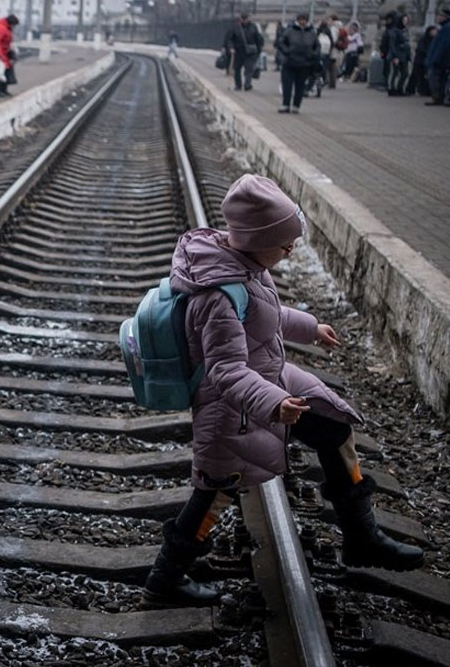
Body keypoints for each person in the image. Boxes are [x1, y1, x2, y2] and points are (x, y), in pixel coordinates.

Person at [143, 174, 424, 606]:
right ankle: (166, 578)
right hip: (231, 408)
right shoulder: (217, 296)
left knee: (334, 425)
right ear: (256, 239)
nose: (290, 250)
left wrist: (310, 328)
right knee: (215, 491)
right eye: (284, 242)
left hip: (272, 378)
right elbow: (225, 371)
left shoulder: (248, 267)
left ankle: (361, 536)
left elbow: (265, 316)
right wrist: (274, 404)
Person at [275, 13, 319, 114]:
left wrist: (313, 54)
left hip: (304, 64)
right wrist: (287, 51)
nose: (302, 22)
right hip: (289, 62)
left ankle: (296, 105)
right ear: (297, 20)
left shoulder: (311, 33)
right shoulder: (290, 31)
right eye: (300, 19)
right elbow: (280, 42)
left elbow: (317, 46)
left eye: (304, 20)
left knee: (300, 86)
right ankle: (285, 104)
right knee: (287, 85)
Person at [424, 8, 450, 106]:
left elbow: (443, 45)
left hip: (442, 61)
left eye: (441, 16)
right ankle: (439, 98)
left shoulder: (448, 28)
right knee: (439, 80)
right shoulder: (446, 28)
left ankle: (438, 99)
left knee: (436, 79)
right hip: (442, 60)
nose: (438, 17)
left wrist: (435, 59)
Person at [224, 12, 263, 91]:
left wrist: (259, 50)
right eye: (243, 19)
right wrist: (231, 48)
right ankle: (238, 85)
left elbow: (258, 39)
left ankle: (247, 85)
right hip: (238, 51)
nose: (245, 21)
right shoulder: (235, 27)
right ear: (240, 19)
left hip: (250, 52)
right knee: (237, 68)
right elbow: (229, 39)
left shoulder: (253, 27)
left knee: (249, 69)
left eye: (246, 19)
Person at [384, 13, 410, 97]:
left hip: (404, 54)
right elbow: (392, 44)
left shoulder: (406, 30)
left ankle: (400, 88)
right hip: (397, 54)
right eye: (404, 20)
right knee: (395, 72)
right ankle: (392, 89)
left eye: (406, 20)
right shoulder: (394, 31)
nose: (405, 22)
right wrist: (395, 56)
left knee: (405, 73)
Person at [409, 25, 436, 96]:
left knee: (425, 77)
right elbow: (420, 49)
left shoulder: (434, 40)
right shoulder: (423, 39)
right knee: (418, 76)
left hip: (427, 61)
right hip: (420, 61)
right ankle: (417, 90)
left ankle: (424, 90)